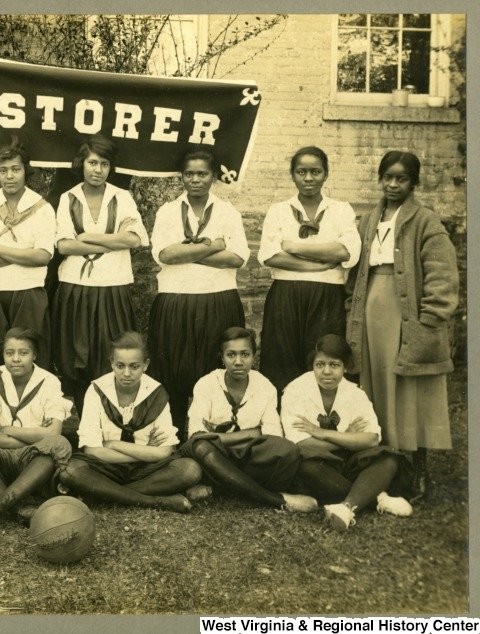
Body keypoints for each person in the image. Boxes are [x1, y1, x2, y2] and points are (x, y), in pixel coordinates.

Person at [346, 151, 459, 501]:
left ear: (413, 183)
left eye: (401, 179)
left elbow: (442, 274)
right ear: (379, 179)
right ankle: (385, 464)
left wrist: (429, 319)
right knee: (376, 384)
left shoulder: (425, 221)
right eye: (387, 178)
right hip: (371, 311)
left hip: (406, 314)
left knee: (410, 389)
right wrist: (352, 307)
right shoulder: (368, 219)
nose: (393, 185)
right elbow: (356, 271)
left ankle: (418, 469)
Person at [148, 148, 250, 441]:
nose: (195, 179)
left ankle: (213, 440)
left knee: (214, 371)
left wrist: (188, 253)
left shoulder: (228, 212)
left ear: (213, 177)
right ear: (182, 177)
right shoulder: (167, 211)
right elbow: (165, 254)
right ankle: (176, 439)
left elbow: (236, 259)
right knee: (173, 372)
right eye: (189, 174)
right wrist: (213, 245)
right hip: (175, 300)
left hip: (218, 298)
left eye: (202, 174)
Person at [52, 134, 149, 412]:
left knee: (113, 352)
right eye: (93, 163)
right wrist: (111, 241)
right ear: (82, 164)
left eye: (104, 164)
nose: (98, 170)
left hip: (113, 286)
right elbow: (63, 245)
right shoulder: (67, 198)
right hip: (76, 286)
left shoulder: (123, 197)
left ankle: (114, 417)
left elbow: (133, 239)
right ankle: (85, 420)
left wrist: (89, 236)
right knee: (77, 355)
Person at [281, 335, 414, 530]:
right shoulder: (295, 390)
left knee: (389, 458)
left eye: (334, 365)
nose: (326, 372)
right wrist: (348, 437)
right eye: (320, 365)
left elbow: (371, 439)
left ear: (346, 367)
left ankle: (346, 507)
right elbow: (300, 443)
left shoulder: (355, 393)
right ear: (313, 366)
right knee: (305, 467)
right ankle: (375, 495)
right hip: (320, 463)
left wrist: (321, 432)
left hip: (351, 462)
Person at [58, 331, 201, 513]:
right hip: (106, 468)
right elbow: (92, 450)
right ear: (111, 363)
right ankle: (154, 501)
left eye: (134, 366)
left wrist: (113, 444)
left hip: (146, 470)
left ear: (145, 365)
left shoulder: (156, 392)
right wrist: (147, 451)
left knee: (189, 469)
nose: (126, 373)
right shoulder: (96, 390)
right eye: (120, 366)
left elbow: (165, 451)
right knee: (71, 470)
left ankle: (103, 495)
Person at [257, 146, 361, 394]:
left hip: (327, 297)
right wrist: (319, 264)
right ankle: (282, 423)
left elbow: (347, 252)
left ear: (326, 174)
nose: (309, 178)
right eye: (301, 172)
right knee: (282, 358)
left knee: (323, 357)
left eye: (315, 171)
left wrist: (292, 246)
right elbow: (269, 255)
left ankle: (321, 422)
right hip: (286, 294)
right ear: (292, 175)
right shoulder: (278, 210)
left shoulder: (341, 209)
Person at [180, 327, 317, 512]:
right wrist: (253, 432)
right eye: (231, 355)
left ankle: (224, 488)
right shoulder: (206, 384)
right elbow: (196, 435)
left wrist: (215, 436)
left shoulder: (265, 386)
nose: (238, 362)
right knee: (201, 446)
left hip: (247, 457)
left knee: (288, 450)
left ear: (254, 356)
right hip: (213, 456)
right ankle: (275, 499)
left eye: (245, 354)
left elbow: (273, 435)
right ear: (222, 357)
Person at [0, 327, 72, 537]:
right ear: (3, 355)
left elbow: (54, 432)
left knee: (59, 444)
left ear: (34, 355)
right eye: (9, 353)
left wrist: (6, 429)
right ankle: (21, 508)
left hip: (32, 460)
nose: (16, 359)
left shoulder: (49, 381)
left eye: (23, 353)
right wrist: (34, 434)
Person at [0, 140, 56, 385]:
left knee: (27, 359)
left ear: (26, 171)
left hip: (28, 292)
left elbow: (42, 257)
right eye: (3, 171)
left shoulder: (42, 208)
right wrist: (20, 256)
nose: (9, 176)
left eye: (16, 169)